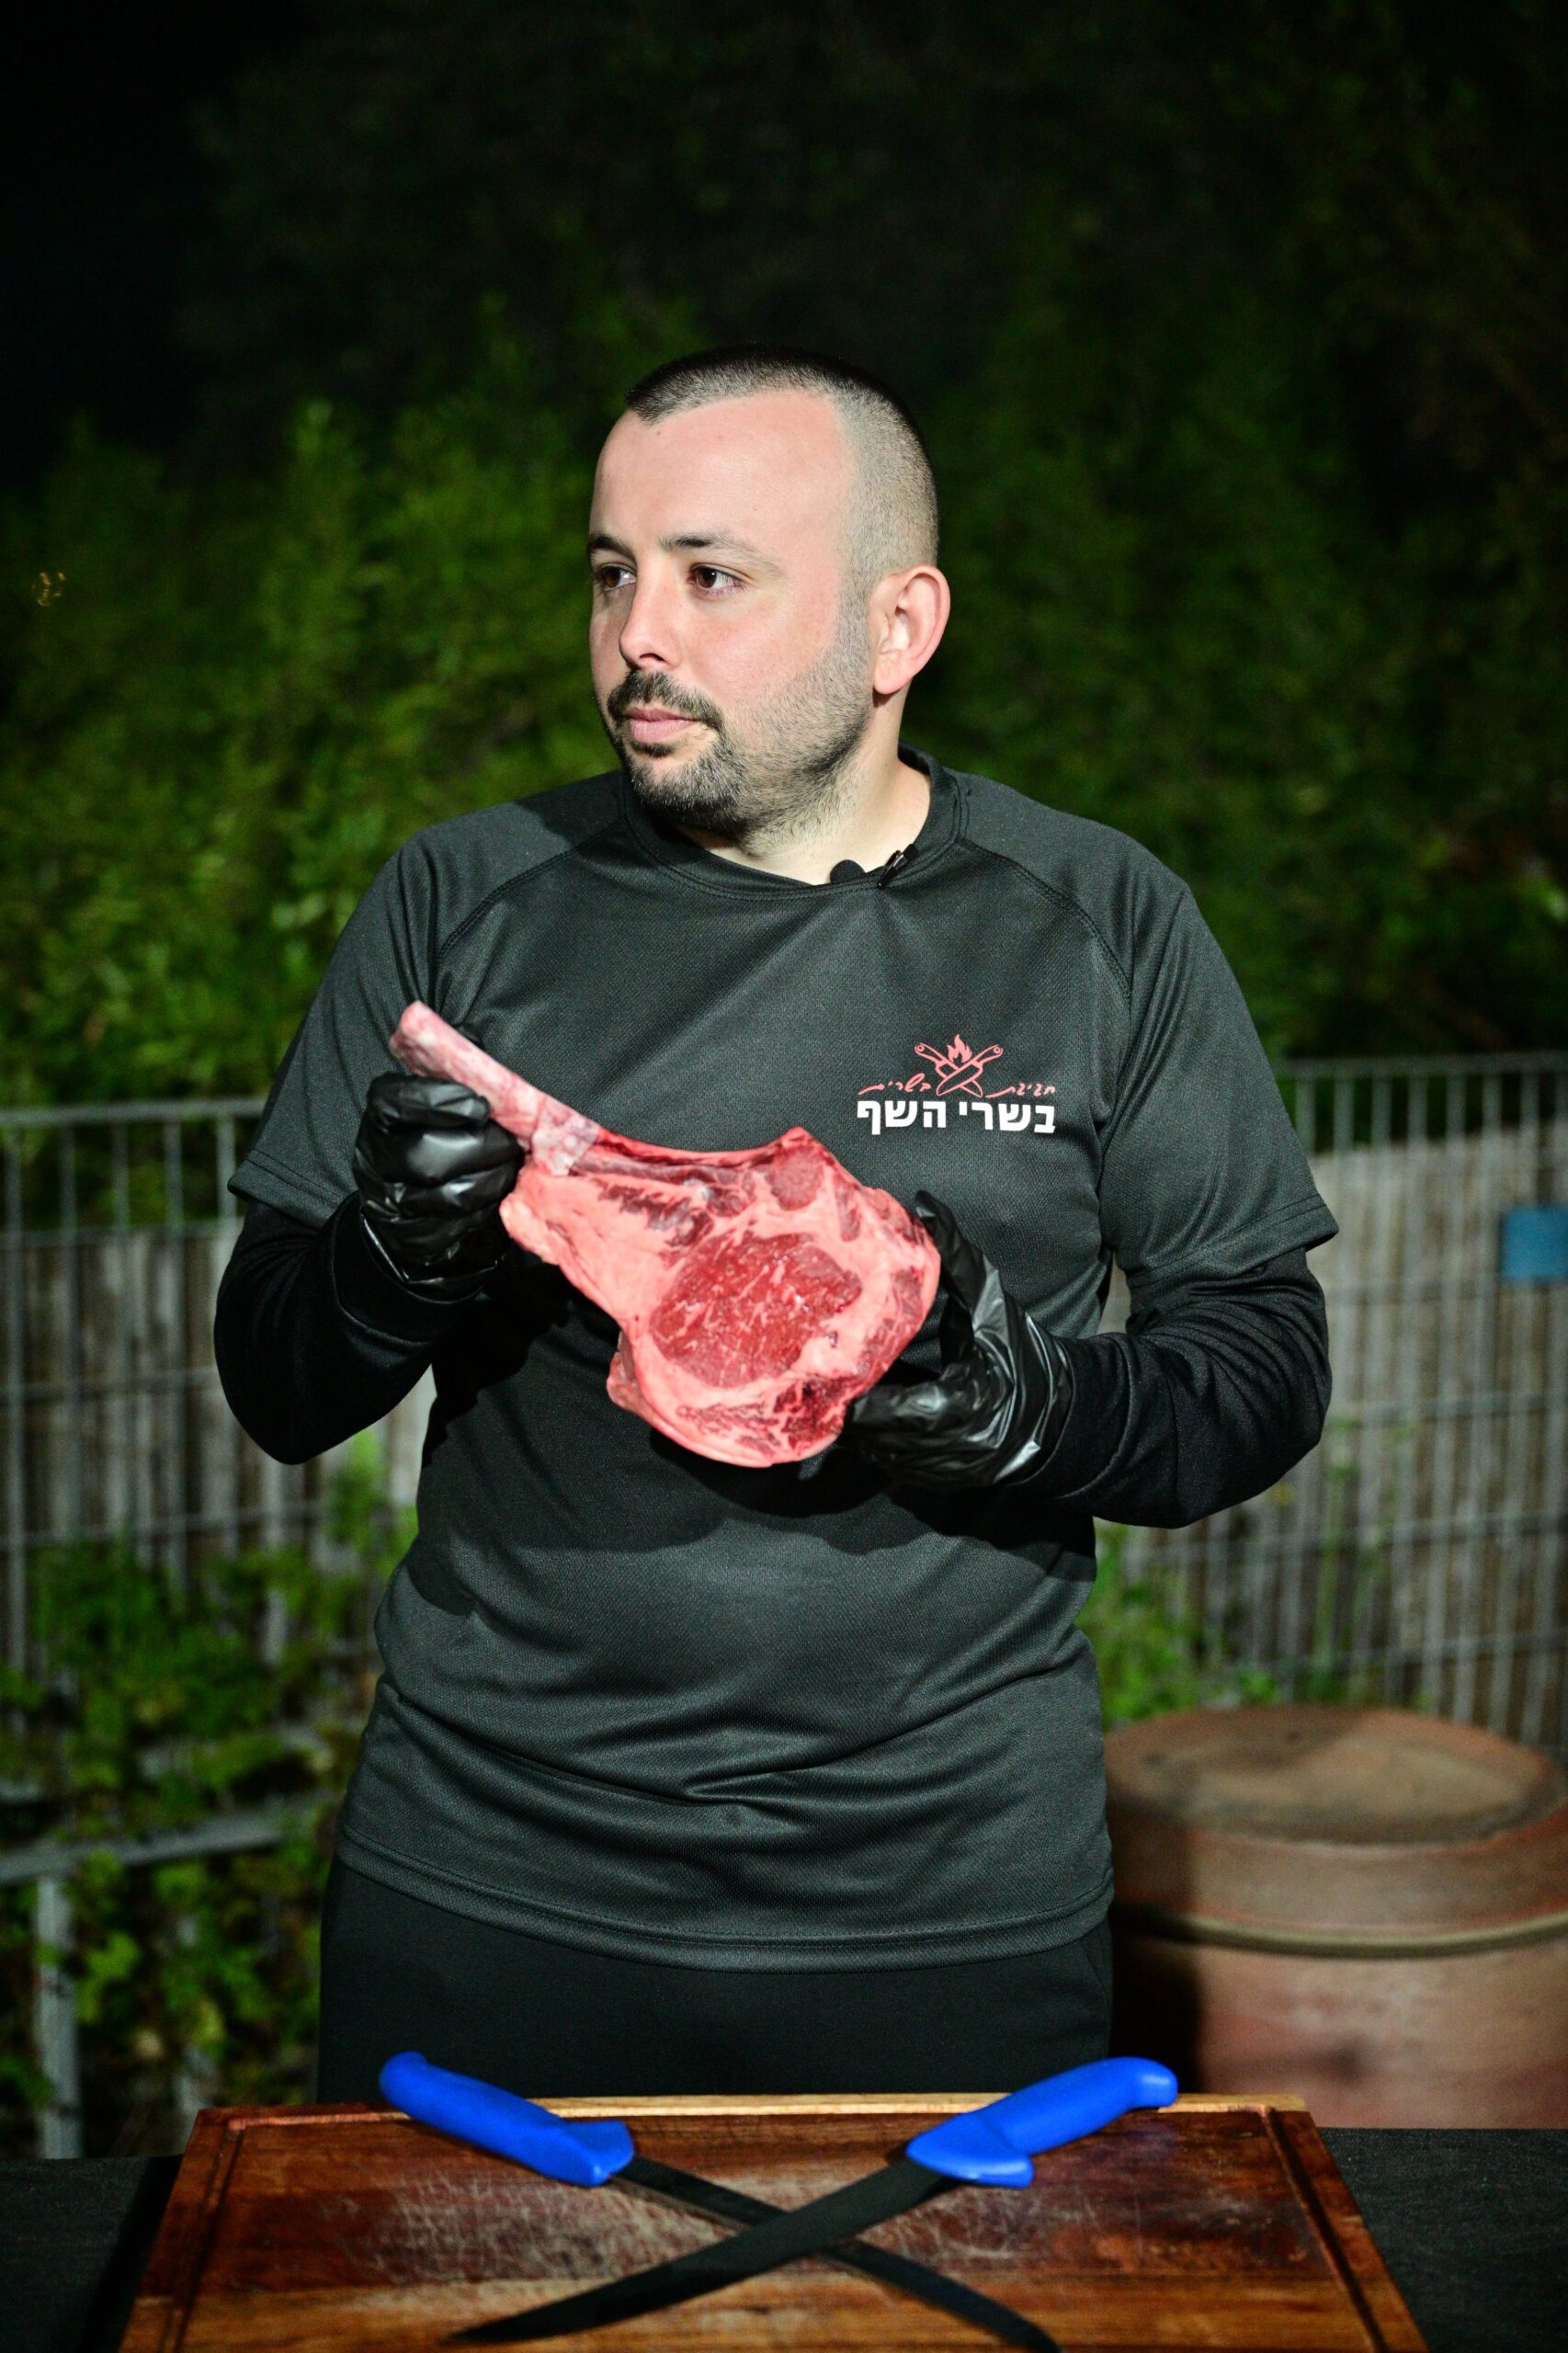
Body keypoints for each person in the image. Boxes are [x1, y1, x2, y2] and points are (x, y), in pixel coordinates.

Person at [215, 347, 1336, 2101]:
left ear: (898, 627)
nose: (636, 637)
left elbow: (1262, 1359)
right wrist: (388, 1259)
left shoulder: (1097, 918)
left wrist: (1042, 1408)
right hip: (491, 1880)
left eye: (711, 576)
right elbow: (276, 1384)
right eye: (612, 574)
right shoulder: (463, 896)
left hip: (947, 1904)